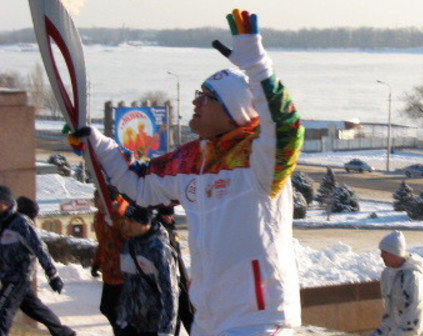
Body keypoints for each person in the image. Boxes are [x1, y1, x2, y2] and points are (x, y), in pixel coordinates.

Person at [70, 8, 304, 335]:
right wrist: (97, 144)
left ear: (232, 112)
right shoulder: (192, 159)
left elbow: (286, 127)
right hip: (209, 317)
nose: (196, 103)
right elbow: (138, 183)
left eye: (207, 98)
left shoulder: (259, 158)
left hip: (259, 318)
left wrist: (257, 66)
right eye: (199, 94)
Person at [0, 185, 75, 336]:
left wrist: (52, 275)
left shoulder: (20, 223)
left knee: (2, 311)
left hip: (19, 277)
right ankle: (64, 333)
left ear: (5, 203)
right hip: (8, 276)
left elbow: (40, 249)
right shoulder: (2, 222)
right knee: (34, 309)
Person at [117, 204, 178, 336]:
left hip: (154, 327)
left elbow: (170, 293)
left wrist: (166, 330)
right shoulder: (128, 247)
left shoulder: (159, 250)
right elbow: (127, 288)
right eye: (126, 220)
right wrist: (122, 319)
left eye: (131, 221)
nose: (126, 225)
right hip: (130, 325)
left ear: (144, 222)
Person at [369, 230, 423, 336]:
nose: (381, 255)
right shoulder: (389, 274)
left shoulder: (414, 280)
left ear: (394, 253)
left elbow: (414, 322)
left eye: (384, 252)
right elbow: (391, 317)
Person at [91, 187, 129, 336]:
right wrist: (96, 262)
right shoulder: (100, 216)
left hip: (123, 274)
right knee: (107, 307)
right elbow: (102, 242)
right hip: (109, 272)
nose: (94, 202)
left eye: (97, 198)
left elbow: (130, 241)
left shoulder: (121, 215)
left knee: (117, 310)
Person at [154, 206, 194, 334]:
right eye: (168, 215)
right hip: (171, 279)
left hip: (178, 279)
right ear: (162, 216)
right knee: (179, 315)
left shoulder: (171, 229)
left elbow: (179, 257)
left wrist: (185, 278)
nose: (171, 218)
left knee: (186, 314)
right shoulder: (161, 232)